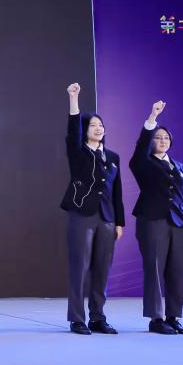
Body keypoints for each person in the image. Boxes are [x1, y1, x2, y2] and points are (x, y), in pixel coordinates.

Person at [59, 83, 124, 335]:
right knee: (79, 267)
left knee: (102, 269)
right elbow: (72, 129)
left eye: (101, 125)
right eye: (93, 125)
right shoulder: (78, 151)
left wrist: (119, 222)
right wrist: (73, 99)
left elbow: (117, 192)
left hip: (107, 219)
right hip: (82, 215)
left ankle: (98, 317)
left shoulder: (113, 157)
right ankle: (77, 318)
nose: (98, 128)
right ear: (85, 130)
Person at [130, 99, 183, 335]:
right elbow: (141, 147)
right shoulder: (143, 162)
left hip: (180, 224)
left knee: (177, 272)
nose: (162, 141)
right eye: (158, 137)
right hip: (152, 221)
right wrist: (152, 118)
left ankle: (173, 317)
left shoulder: (181, 167)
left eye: (166, 138)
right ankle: (156, 319)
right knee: (155, 270)